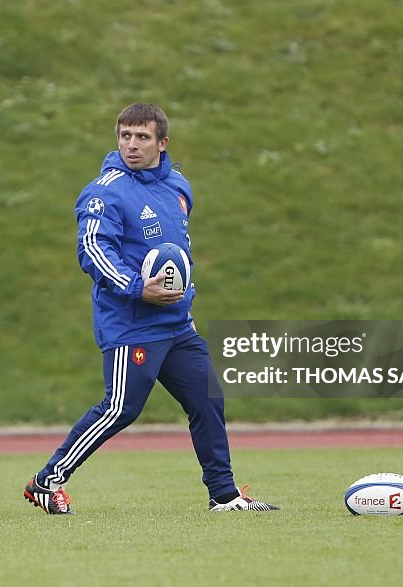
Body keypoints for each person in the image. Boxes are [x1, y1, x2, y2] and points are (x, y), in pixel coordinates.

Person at [23, 102, 278, 514]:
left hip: (178, 326)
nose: (132, 145)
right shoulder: (104, 192)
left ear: (162, 142)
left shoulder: (178, 187)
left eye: (142, 137)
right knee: (120, 409)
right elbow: (92, 249)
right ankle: (46, 482)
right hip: (132, 324)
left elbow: (177, 251)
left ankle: (225, 496)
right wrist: (139, 288)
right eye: (125, 135)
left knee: (207, 400)